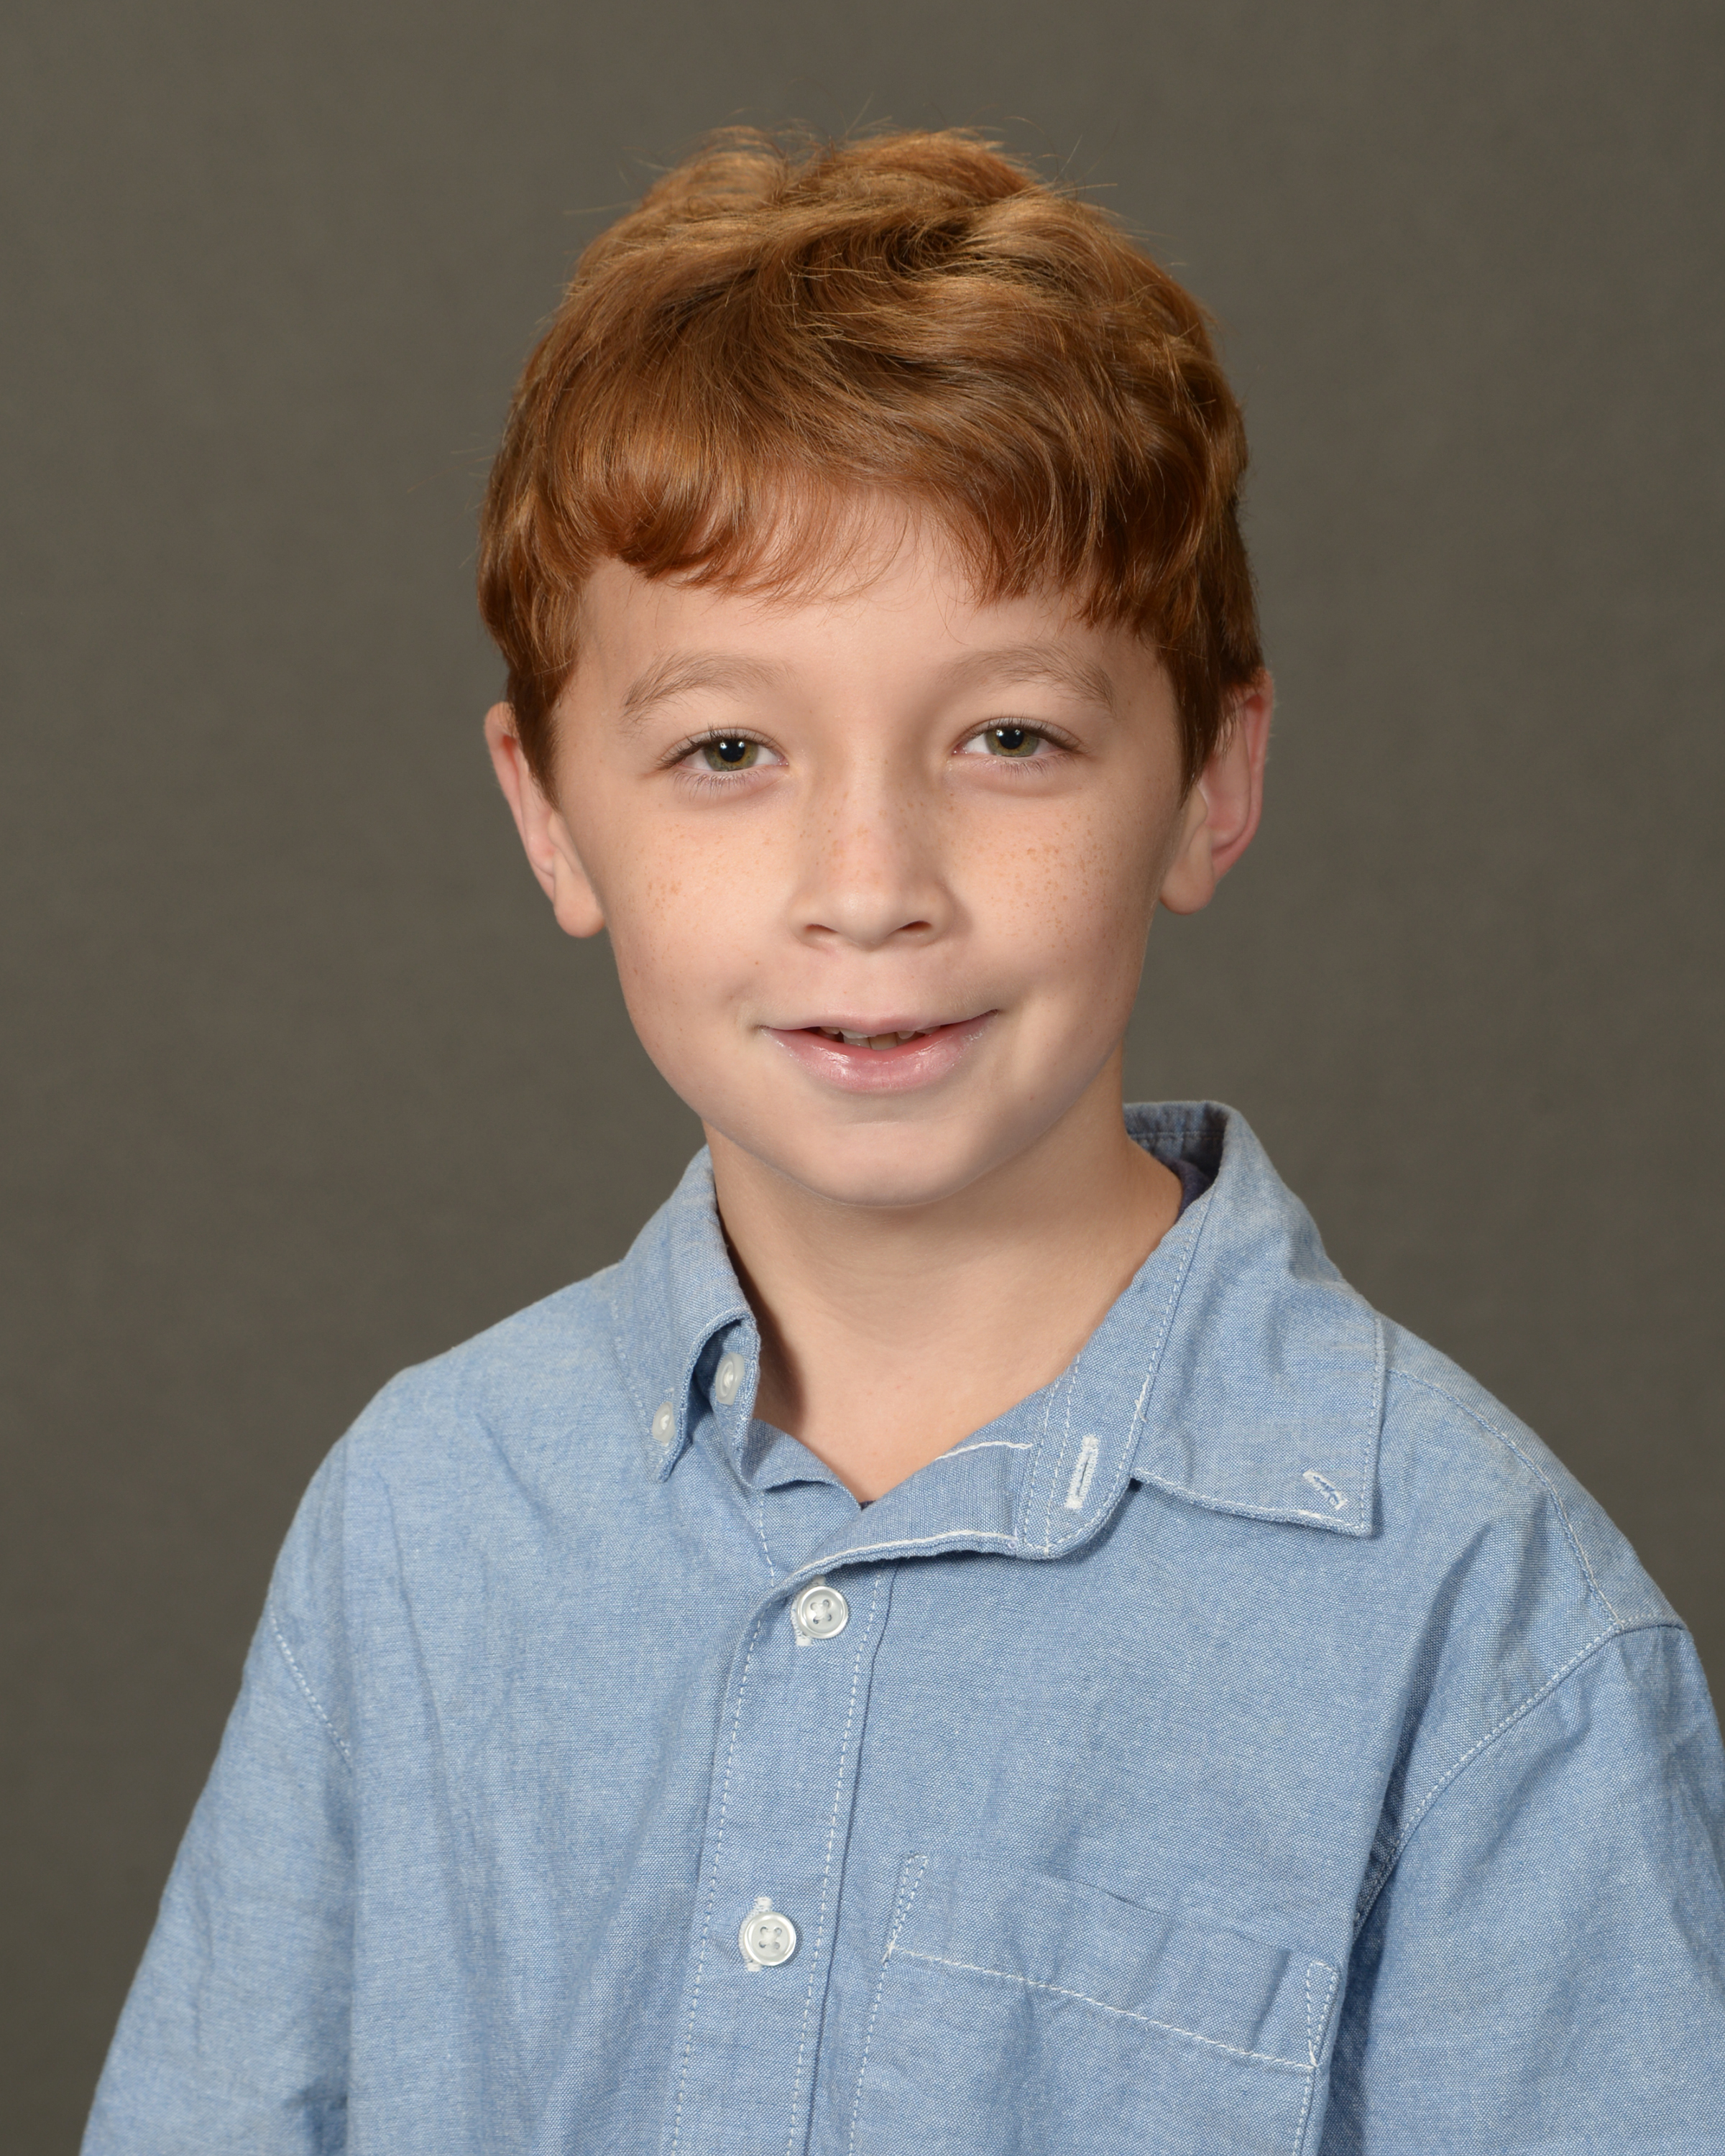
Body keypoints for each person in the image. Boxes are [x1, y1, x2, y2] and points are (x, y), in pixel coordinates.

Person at [84, 127, 1725, 2155]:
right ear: (549, 816)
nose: (869, 886)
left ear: (1213, 779)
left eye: (1009, 737)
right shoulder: (422, 1526)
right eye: (728, 750)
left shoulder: (1484, 1619)